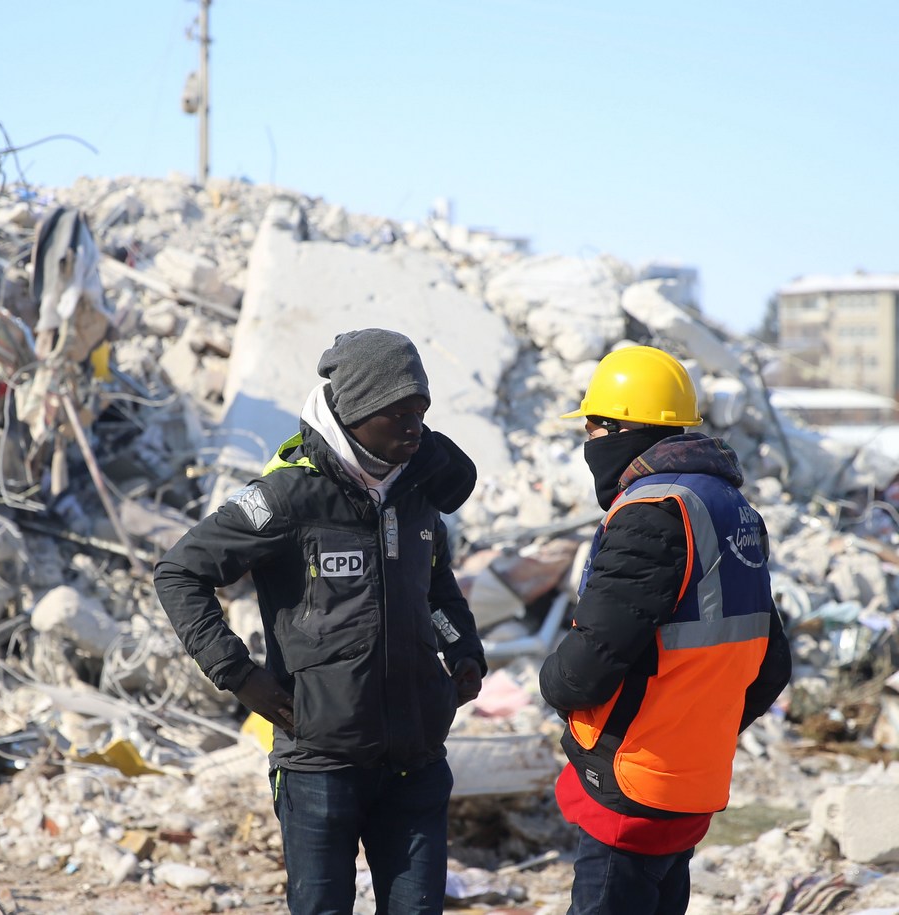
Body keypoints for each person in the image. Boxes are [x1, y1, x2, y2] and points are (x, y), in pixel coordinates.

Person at [155, 328, 487, 915]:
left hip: (415, 763)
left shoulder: (417, 494)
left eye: (421, 412)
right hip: (319, 766)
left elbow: (433, 586)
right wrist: (238, 675)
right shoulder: (288, 497)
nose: (415, 428)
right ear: (355, 412)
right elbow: (180, 573)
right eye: (398, 413)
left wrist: (463, 651)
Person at [539, 344, 792, 915]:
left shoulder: (652, 512)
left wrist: (551, 682)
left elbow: (586, 667)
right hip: (689, 784)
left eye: (594, 429)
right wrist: (698, 729)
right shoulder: (733, 508)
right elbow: (771, 664)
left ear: (623, 429)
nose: (589, 444)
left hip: (629, 781)